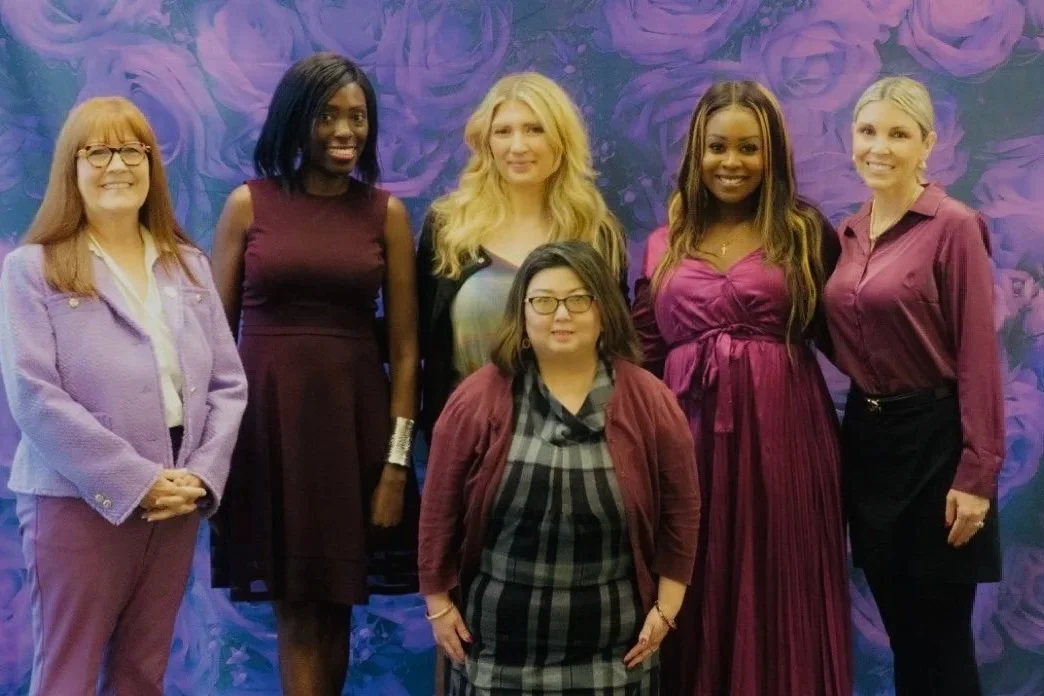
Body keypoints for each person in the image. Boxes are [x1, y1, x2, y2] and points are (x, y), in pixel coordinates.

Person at [0, 96, 247, 695]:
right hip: (78, 503)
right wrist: (134, 480)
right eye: (99, 151)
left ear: (152, 166)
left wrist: (201, 477)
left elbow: (227, 386)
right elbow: (33, 396)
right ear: (72, 168)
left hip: (176, 504)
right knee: (68, 674)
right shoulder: (32, 269)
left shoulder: (187, 265)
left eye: (133, 150)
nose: (118, 164)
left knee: (143, 673)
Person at [207, 52, 420, 696]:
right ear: (297, 120)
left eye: (358, 116)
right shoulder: (248, 206)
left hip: (354, 438)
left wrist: (395, 466)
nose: (344, 130)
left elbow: (407, 352)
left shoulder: (386, 214)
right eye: (328, 114)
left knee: (334, 614)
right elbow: (211, 347)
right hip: (268, 438)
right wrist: (210, 456)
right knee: (297, 614)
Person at [631, 81, 852, 695]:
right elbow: (642, 358)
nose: (732, 163)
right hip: (686, 441)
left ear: (773, 154)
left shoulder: (806, 232)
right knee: (693, 582)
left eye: (749, 149)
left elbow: (850, 337)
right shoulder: (661, 243)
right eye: (718, 147)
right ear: (695, 154)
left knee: (781, 585)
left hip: (787, 441)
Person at [419, 241, 699, 696]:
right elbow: (439, 510)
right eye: (544, 301)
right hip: (495, 648)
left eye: (578, 299)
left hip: (616, 648)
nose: (561, 314)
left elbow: (681, 513)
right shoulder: (476, 399)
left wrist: (667, 608)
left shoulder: (650, 401)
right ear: (523, 317)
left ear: (604, 311)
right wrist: (437, 603)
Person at [824, 76, 1003, 696]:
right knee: (903, 635)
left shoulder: (954, 226)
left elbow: (980, 355)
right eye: (868, 131)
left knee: (942, 643)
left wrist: (977, 475)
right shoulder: (846, 234)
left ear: (926, 144)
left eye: (898, 134)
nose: (880, 146)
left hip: (938, 446)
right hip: (870, 444)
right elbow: (841, 333)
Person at [417, 72, 628, 448]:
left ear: (561, 140)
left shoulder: (598, 234)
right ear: (486, 142)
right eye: (503, 131)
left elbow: (617, 351)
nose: (518, 145)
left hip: (576, 445)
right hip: (469, 443)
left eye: (534, 129)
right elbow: (420, 345)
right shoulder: (448, 230)